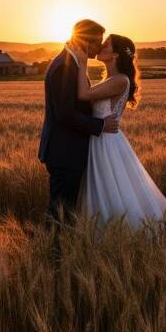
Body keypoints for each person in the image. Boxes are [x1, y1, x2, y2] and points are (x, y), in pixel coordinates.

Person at [73, 34, 166, 229]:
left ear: (114, 55)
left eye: (105, 46)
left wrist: (81, 62)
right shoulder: (111, 79)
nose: (99, 47)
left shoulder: (120, 80)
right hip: (100, 138)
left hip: (106, 142)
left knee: (111, 188)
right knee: (103, 189)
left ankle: (121, 232)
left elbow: (83, 94)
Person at [38, 19, 119, 224]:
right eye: (97, 41)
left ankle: (58, 251)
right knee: (61, 211)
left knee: (66, 210)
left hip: (68, 151)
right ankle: (53, 254)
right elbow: (65, 113)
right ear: (84, 41)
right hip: (64, 152)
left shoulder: (71, 63)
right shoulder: (64, 67)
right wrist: (100, 125)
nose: (100, 46)